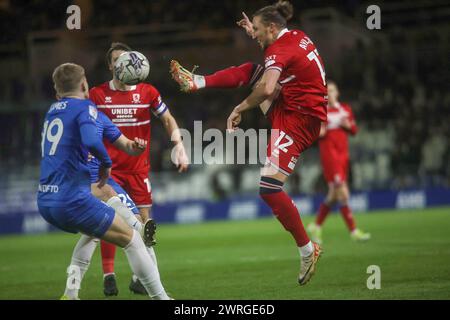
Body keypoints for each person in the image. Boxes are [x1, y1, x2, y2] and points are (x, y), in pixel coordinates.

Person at [171, 1, 325, 285]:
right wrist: (253, 33)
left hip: (298, 121)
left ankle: (307, 249)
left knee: (268, 188)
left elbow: (268, 88)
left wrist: (239, 108)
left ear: (271, 27)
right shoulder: (296, 36)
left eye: (256, 30)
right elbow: (275, 68)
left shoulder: (279, 49)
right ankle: (198, 81)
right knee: (252, 70)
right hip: (292, 106)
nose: (253, 34)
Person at [38, 63, 171, 300]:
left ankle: (70, 294)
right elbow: (90, 139)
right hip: (73, 199)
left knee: (95, 223)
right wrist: (106, 163)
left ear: (57, 93)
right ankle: (162, 298)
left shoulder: (52, 111)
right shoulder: (85, 108)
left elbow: (119, 142)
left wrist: (132, 146)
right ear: (84, 85)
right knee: (133, 242)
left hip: (47, 199)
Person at [90, 42, 189, 295]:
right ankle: (109, 274)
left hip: (138, 171)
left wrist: (178, 144)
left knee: (146, 225)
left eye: (126, 58)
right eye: (116, 59)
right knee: (110, 222)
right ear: (110, 65)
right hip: (108, 172)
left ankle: (138, 279)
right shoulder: (97, 95)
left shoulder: (147, 92)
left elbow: (167, 118)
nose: (121, 62)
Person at [307, 81, 371, 244]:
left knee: (333, 195)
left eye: (332, 90)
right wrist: (322, 129)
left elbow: (354, 131)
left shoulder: (345, 110)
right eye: (327, 91)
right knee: (343, 193)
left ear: (337, 92)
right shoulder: (321, 111)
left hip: (343, 155)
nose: (330, 93)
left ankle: (316, 225)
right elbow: (316, 134)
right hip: (330, 155)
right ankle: (354, 231)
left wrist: (347, 125)